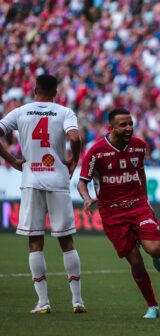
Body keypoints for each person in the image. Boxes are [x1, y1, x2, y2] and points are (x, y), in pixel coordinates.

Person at [0, 74, 86, 314]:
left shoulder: (20, 111)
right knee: (66, 240)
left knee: (35, 240)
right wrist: (73, 160)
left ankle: (43, 302)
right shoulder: (64, 112)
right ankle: (77, 301)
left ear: (35, 89)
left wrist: (12, 161)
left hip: (31, 180)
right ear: (55, 92)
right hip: (58, 180)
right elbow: (75, 137)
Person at [77, 108, 160, 319]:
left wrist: (146, 200)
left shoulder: (139, 146)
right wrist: (88, 198)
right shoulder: (97, 151)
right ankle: (152, 305)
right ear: (111, 127)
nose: (128, 128)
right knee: (135, 261)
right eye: (123, 125)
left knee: (155, 250)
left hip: (137, 205)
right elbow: (82, 182)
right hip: (112, 213)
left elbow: (141, 172)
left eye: (130, 124)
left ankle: (158, 254)